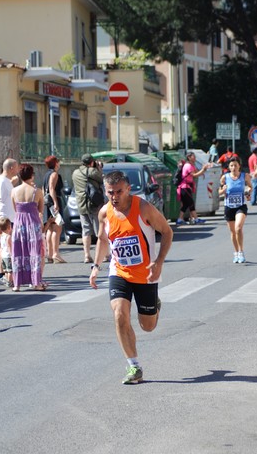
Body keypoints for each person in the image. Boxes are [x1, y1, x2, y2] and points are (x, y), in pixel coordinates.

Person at [89, 170, 173, 385]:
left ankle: (155, 305)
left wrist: (159, 261)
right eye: (110, 192)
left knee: (148, 326)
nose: (114, 196)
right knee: (119, 314)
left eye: (119, 191)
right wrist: (96, 266)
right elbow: (102, 240)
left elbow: (167, 231)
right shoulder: (104, 213)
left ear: (128, 189)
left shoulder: (143, 208)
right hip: (119, 271)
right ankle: (133, 365)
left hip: (146, 274)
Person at [11, 163, 47, 291]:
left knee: (18, 252)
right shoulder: (37, 191)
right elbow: (41, 209)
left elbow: (15, 209)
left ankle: (17, 284)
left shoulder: (14, 191)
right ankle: (36, 283)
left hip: (19, 224)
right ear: (31, 175)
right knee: (34, 252)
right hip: (33, 223)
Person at [72, 153, 105, 263]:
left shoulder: (75, 173)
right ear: (91, 162)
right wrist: (98, 168)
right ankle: (104, 254)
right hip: (94, 203)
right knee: (99, 230)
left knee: (85, 230)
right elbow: (101, 179)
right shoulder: (92, 171)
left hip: (81, 204)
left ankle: (87, 255)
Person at [219, 158, 252, 263]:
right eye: (231, 165)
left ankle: (241, 252)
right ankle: (236, 252)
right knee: (233, 232)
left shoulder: (244, 176)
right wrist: (222, 191)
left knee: (238, 228)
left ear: (239, 166)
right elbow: (219, 191)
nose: (233, 167)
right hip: (229, 207)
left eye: (235, 165)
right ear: (229, 167)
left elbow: (250, 187)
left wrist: (248, 192)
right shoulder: (225, 178)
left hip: (240, 206)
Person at [0, 158, 19, 285]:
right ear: (11, 168)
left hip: (11, 218)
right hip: (5, 219)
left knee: (6, 247)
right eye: (17, 166)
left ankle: (6, 273)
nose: (18, 169)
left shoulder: (7, 181)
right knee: (4, 247)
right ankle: (1, 274)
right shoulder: (0, 182)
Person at [43, 155, 66, 263]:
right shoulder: (54, 174)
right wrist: (56, 202)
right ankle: (56, 253)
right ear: (55, 163)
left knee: (50, 228)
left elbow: (45, 189)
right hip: (54, 201)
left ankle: (50, 253)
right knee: (57, 227)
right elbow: (52, 189)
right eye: (58, 162)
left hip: (47, 203)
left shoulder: (46, 175)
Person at [176, 152, 211, 225]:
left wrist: (203, 171)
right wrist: (203, 170)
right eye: (193, 157)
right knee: (191, 203)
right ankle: (196, 219)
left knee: (186, 205)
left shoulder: (191, 165)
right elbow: (194, 175)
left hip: (186, 187)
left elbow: (197, 172)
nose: (195, 158)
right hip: (185, 187)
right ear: (189, 157)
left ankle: (180, 219)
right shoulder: (188, 166)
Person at [0, 217, 13, 287]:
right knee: (10, 271)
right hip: (8, 256)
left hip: (3, 256)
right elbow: (9, 247)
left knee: (6, 270)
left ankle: (7, 281)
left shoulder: (2, 236)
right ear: (9, 227)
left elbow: (1, 247)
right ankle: (10, 282)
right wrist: (12, 255)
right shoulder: (8, 237)